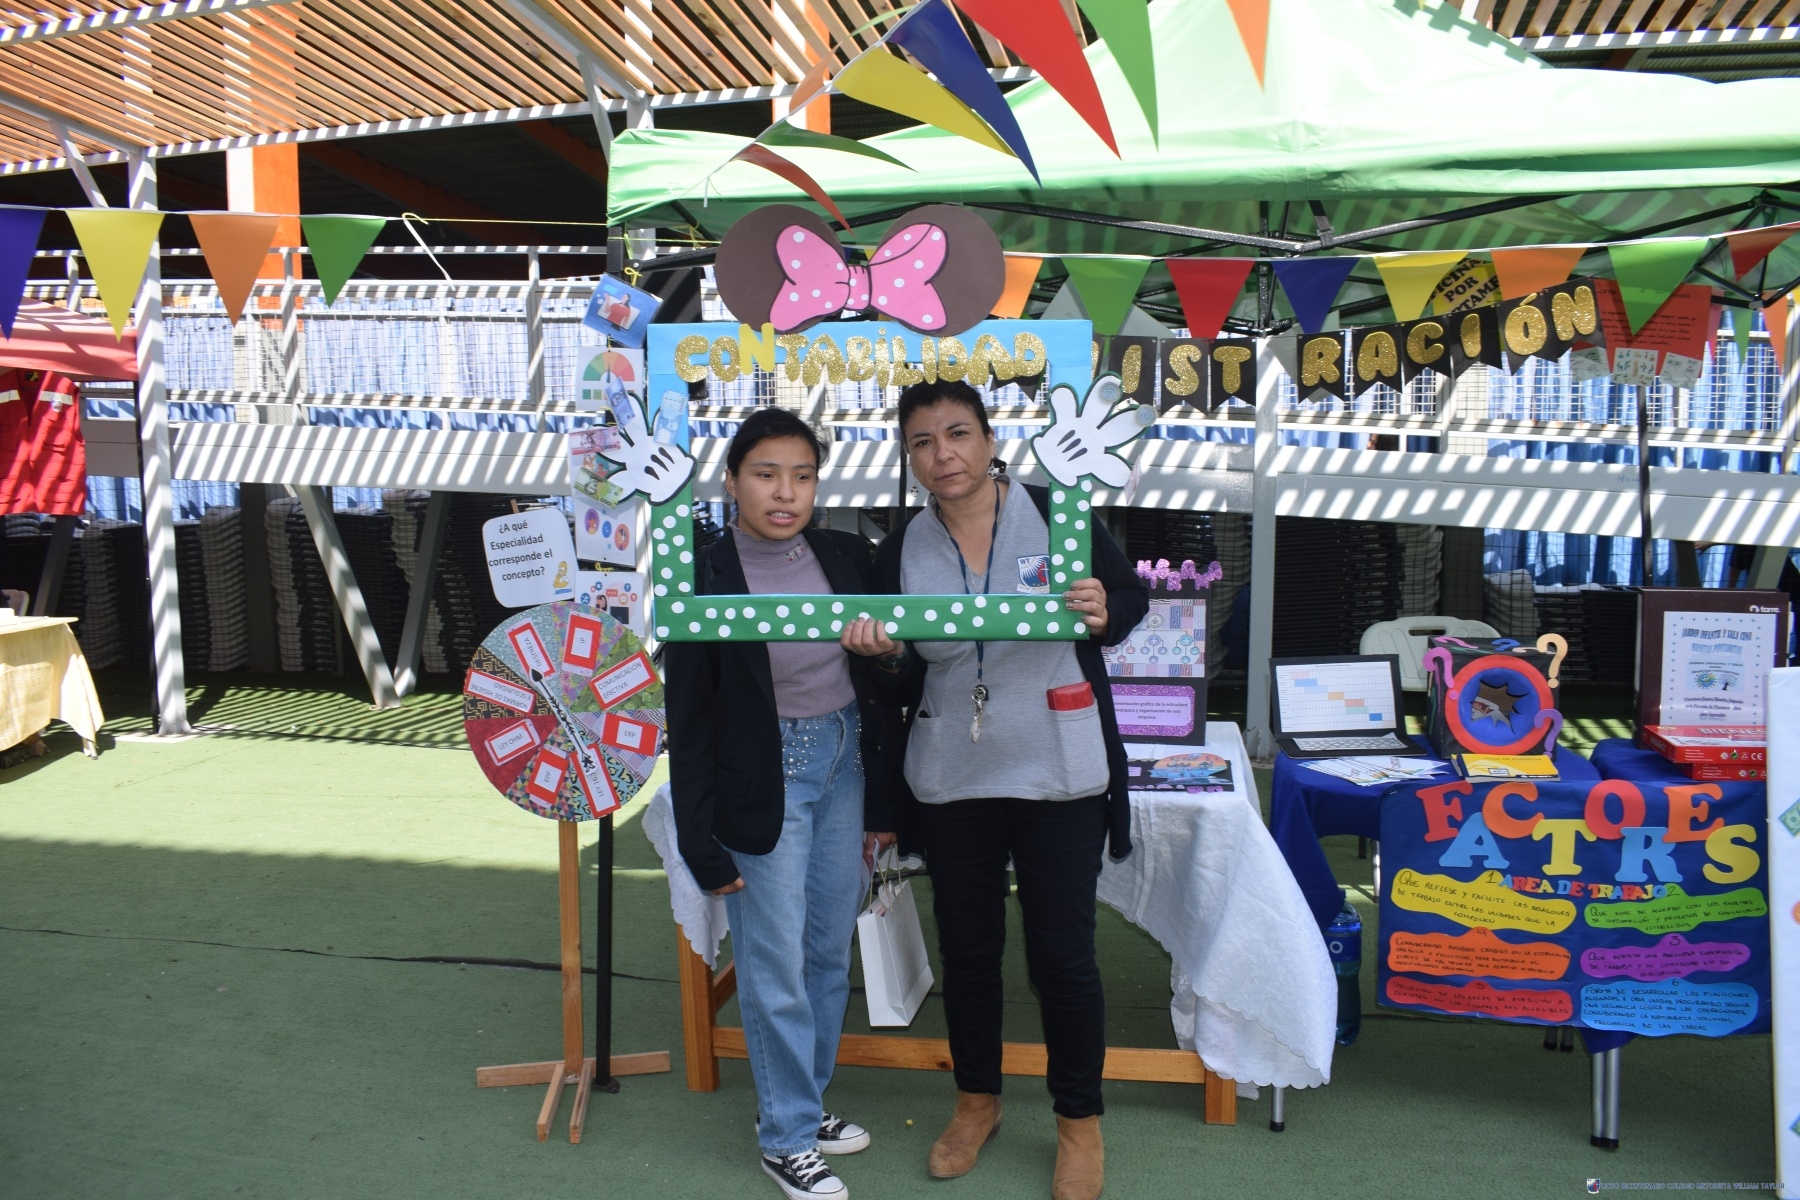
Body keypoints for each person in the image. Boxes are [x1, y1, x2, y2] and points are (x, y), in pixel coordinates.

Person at [841, 379, 1147, 1200]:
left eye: (957, 433)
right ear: (909, 458)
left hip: (1059, 768)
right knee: (969, 953)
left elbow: (1128, 597)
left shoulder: (1058, 510)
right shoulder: (898, 548)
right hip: (953, 776)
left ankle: (1079, 1122)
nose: (942, 454)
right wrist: (884, 655)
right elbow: (902, 674)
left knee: (1063, 957)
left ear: (989, 439)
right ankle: (977, 1101)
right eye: (922, 442)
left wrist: (1103, 610)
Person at [666, 407, 898, 1200]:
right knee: (775, 964)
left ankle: (802, 1101)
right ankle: (787, 1137)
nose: (785, 492)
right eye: (766, 474)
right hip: (763, 773)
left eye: (802, 476)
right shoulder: (701, 572)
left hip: (844, 761)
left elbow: (890, 682)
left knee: (828, 950)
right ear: (732, 480)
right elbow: (689, 715)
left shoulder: (847, 555)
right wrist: (699, 836)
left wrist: (888, 653)